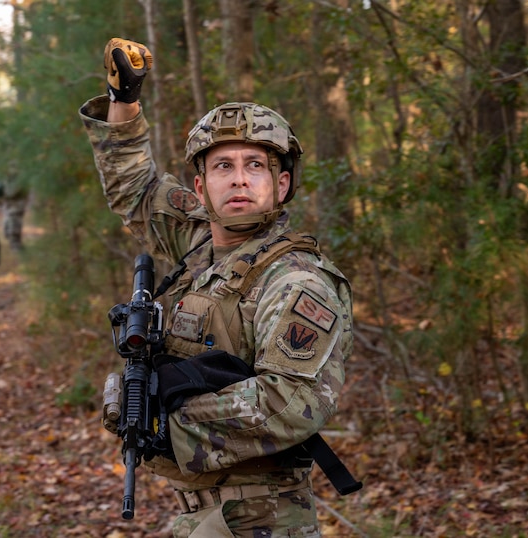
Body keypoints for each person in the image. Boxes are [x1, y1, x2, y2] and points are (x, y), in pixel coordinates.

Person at [79, 38, 354, 537]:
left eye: (256, 165)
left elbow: (293, 401)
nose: (240, 180)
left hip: (261, 519)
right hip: (205, 513)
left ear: (282, 184)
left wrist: (168, 422)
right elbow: (137, 192)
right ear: (202, 187)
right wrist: (124, 99)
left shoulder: (295, 279)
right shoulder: (203, 242)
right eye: (223, 167)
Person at [0, 161, 28, 251]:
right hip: (8, 208)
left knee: (13, 231)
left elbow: (11, 193)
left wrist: (3, 186)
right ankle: (17, 248)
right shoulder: (9, 180)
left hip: (16, 209)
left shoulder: (20, 180)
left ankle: (17, 250)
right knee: (7, 231)